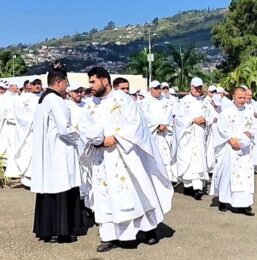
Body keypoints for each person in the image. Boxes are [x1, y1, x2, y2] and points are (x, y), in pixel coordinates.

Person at [79, 67, 173, 252]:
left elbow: (136, 124)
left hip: (124, 155)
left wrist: (116, 137)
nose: (90, 86)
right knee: (106, 197)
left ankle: (147, 230)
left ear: (105, 81)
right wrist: (94, 139)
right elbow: (83, 127)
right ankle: (110, 236)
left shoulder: (123, 100)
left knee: (134, 193)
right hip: (101, 158)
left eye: (93, 82)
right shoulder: (90, 104)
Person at [31, 62, 84, 243]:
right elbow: (64, 129)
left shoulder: (43, 99)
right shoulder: (55, 100)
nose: (67, 87)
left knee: (50, 191)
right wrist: (80, 137)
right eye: (67, 84)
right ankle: (62, 230)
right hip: (59, 152)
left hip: (50, 152)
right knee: (61, 189)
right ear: (60, 83)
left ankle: (48, 230)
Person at [211, 87, 257, 216]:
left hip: (245, 149)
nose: (242, 100)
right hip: (230, 148)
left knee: (244, 176)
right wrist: (230, 139)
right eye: (240, 98)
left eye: (244, 98)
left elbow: (255, 126)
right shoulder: (226, 111)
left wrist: (251, 132)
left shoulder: (250, 111)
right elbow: (220, 128)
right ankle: (223, 200)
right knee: (228, 176)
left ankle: (244, 205)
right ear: (233, 97)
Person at [172, 77, 209, 200]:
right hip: (187, 135)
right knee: (188, 159)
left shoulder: (204, 102)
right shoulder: (183, 102)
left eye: (200, 88)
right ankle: (188, 186)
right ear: (191, 87)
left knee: (198, 160)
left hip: (199, 135)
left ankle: (197, 187)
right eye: (196, 87)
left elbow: (210, 116)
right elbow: (178, 119)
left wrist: (205, 121)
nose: (198, 90)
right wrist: (192, 120)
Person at [140, 80, 175, 182]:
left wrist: (165, 124)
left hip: (164, 134)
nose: (158, 90)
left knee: (165, 157)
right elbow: (145, 117)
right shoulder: (145, 102)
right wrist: (156, 125)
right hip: (152, 134)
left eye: (159, 88)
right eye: (155, 88)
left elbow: (168, 114)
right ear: (150, 89)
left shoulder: (166, 101)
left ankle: (167, 180)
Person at [11, 79, 42, 187]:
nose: (37, 86)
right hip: (30, 131)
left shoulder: (44, 98)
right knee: (29, 153)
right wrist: (31, 122)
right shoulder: (25, 99)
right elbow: (19, 114)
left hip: (42, 132)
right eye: (35, 84)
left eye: (39, 84)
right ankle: (28, 179)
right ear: (30, 86)